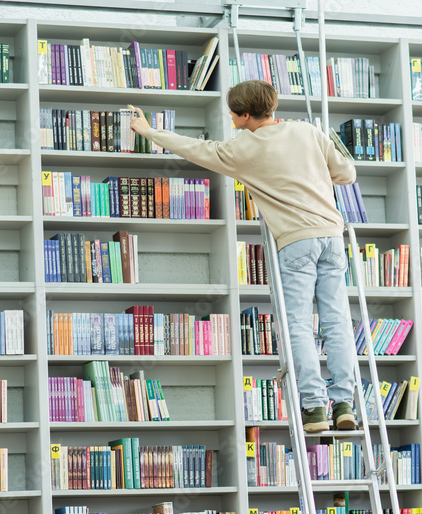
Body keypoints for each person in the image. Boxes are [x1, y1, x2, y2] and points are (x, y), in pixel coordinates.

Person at [129, 80, 358, 433]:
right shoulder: (307, 131)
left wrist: (149, 131)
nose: (231, 118)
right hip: (331, 236)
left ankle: (314, 408)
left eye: (233, 114)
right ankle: (344, 402)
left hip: (295, 242)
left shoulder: (242, 149)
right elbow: (347, 174)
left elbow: (195, 149)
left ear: (246, 115)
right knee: (337, 321)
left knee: (298, 324)